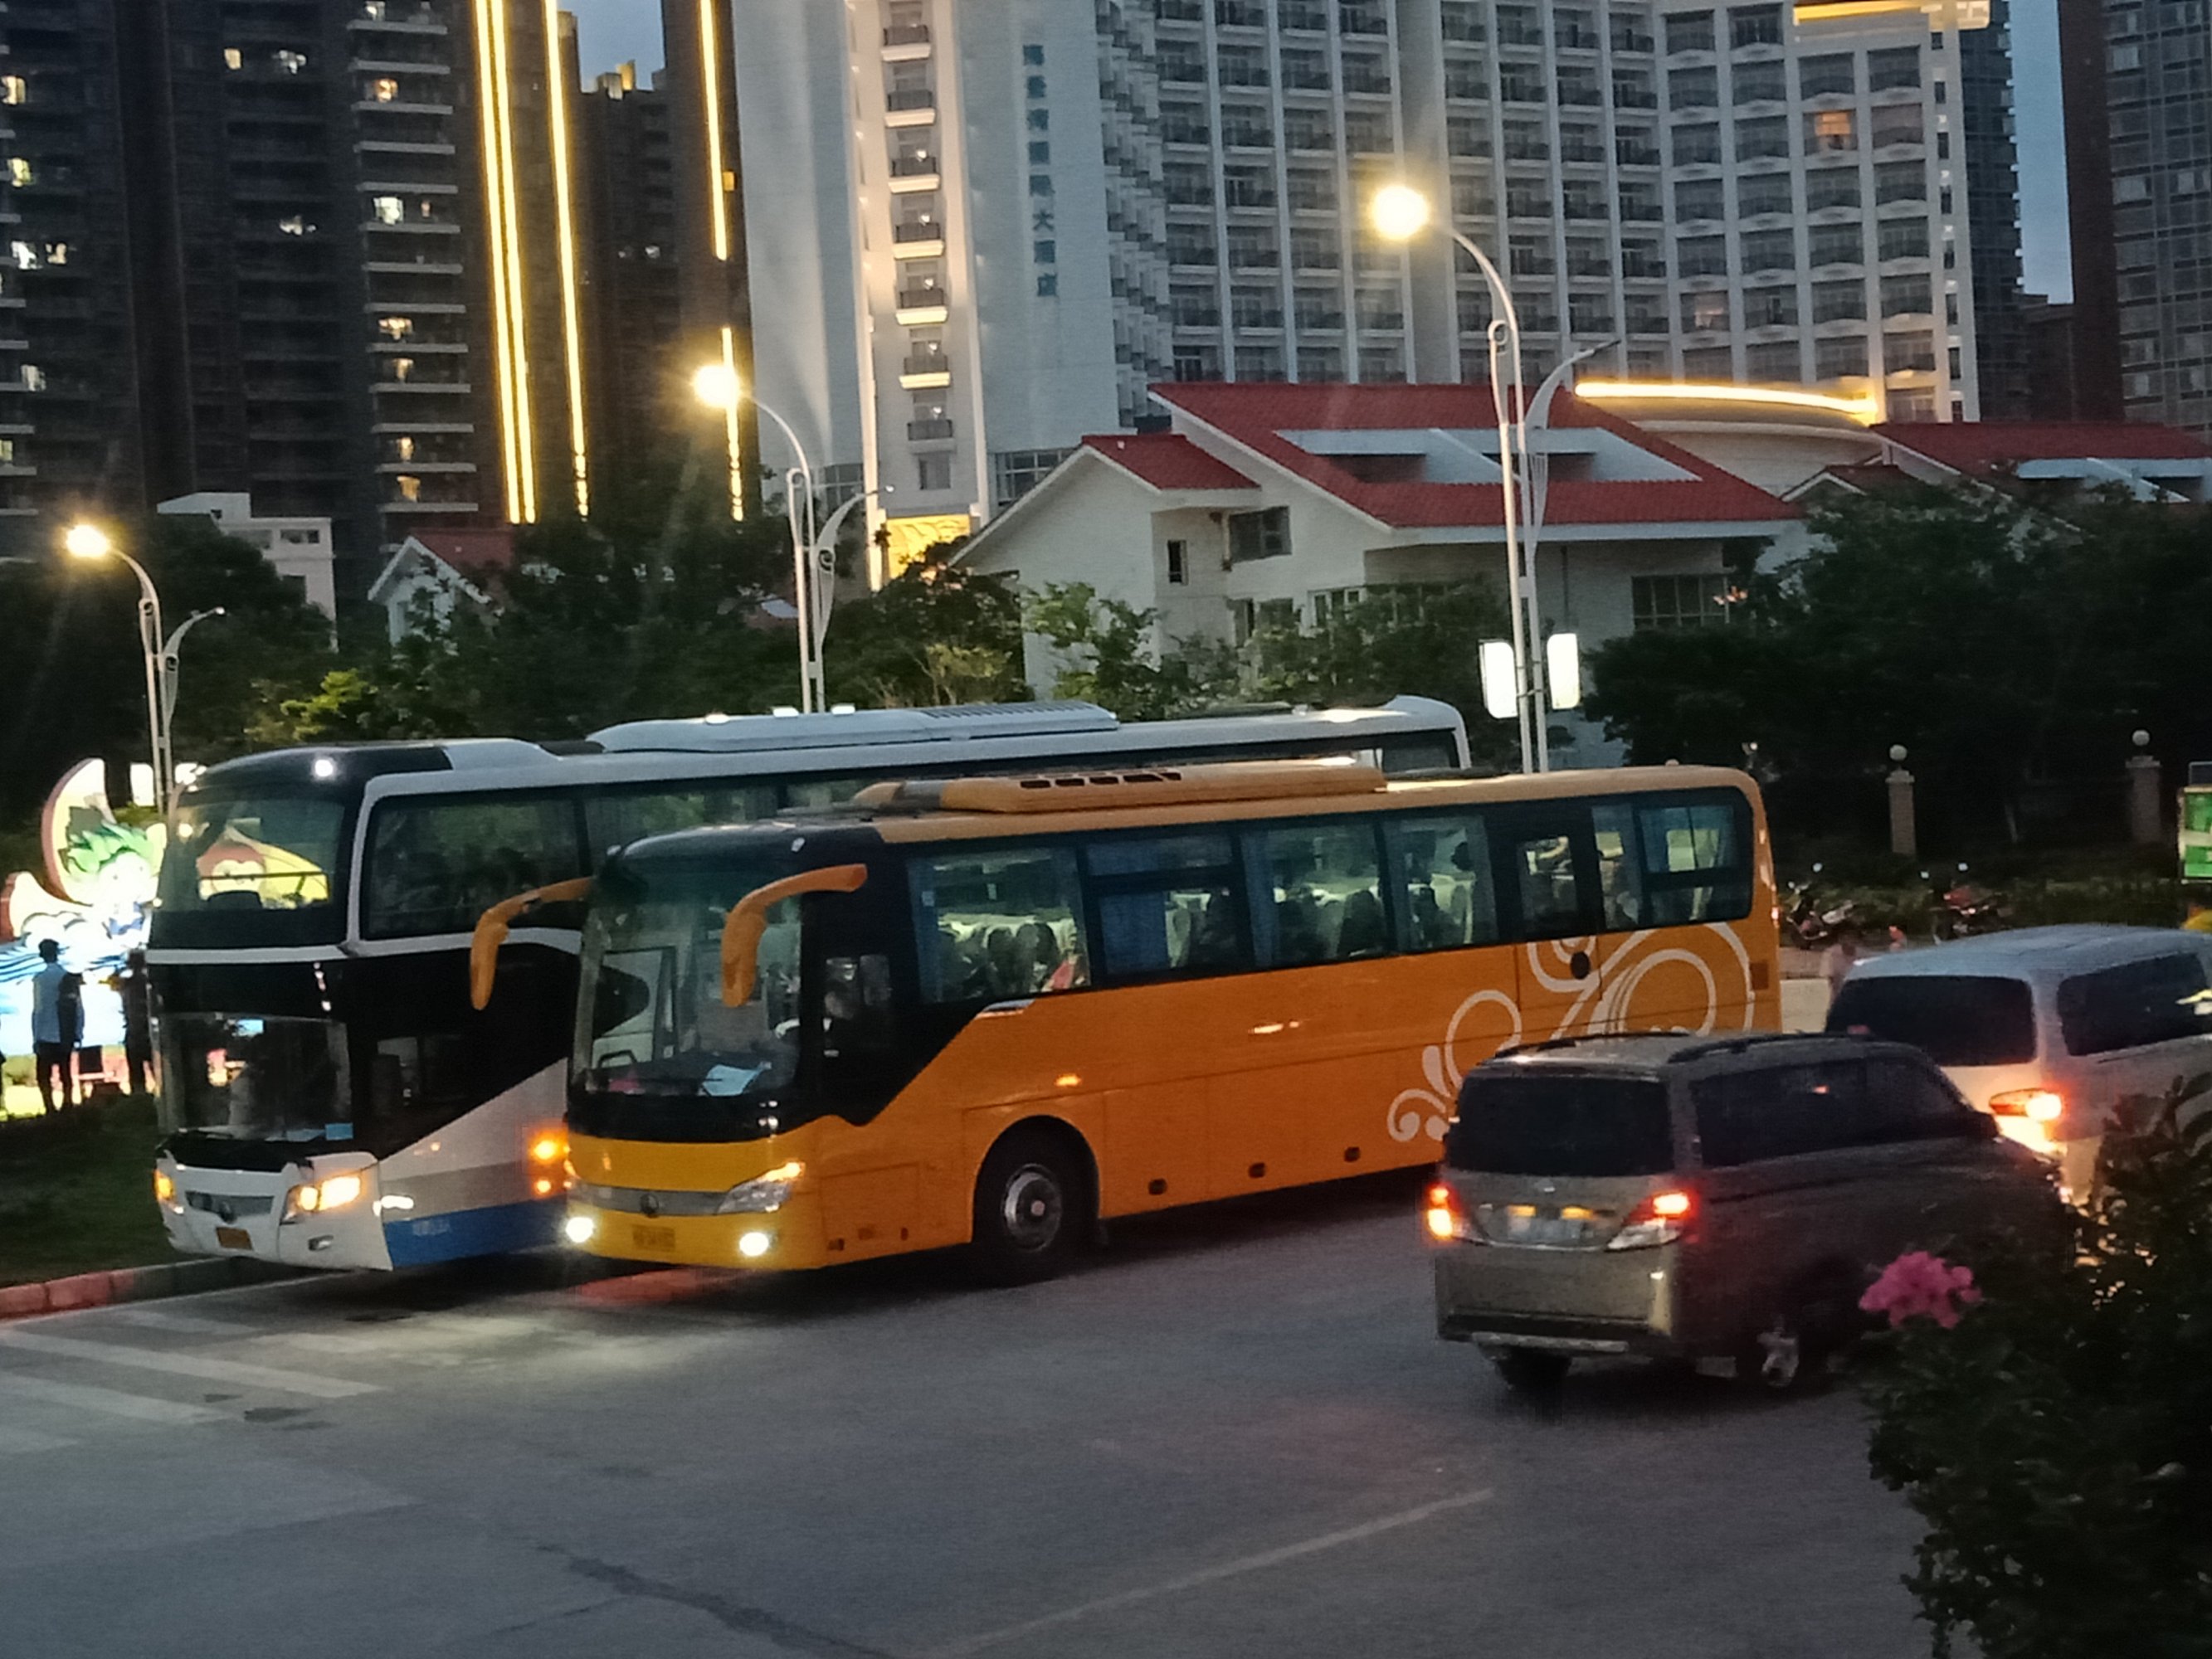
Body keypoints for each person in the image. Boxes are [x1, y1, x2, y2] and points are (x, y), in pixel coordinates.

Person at [30, 939, 74, 1112]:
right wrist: (77, 1032)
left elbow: (38, 1010)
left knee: (43, 1075)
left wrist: (35, 1036)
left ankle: (50, 1108)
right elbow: (77, 1008)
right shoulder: (67, 977)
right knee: (65, 1072)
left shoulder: (40, 979)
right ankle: (68, 1104)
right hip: (64, 1032)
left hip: (45, 1034)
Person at [119, 949, 154, 1096]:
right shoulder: (150, 984)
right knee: (158, 1069)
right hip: (149, 1032)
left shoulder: (127, 986)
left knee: (136, 1072)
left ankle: (139, 1097)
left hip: (134, 1031)